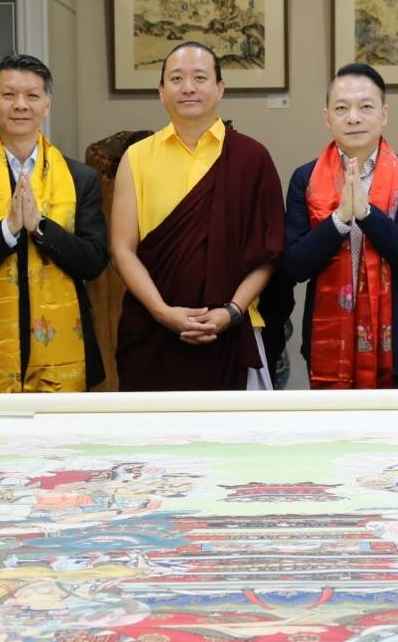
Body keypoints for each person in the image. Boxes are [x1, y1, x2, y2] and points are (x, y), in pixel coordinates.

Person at [110, 41, 284, 390]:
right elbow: (122, 249)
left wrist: (231, 311)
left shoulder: (252, 158)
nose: (188, 87)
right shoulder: (137, 157)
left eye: (200, 78)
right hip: (153, 332)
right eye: (176, 79)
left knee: (234, 426)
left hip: (233, 329)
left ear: (220, 88)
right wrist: (162, 312)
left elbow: (268, 254)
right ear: (161, 92)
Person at [0, 54, 108, 393]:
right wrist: (8, 230)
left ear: (47, 105)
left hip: (66, 335)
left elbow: (94, 261)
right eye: (9, 95)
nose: (20, 105)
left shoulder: (80, 177)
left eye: (32, 95)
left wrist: (39, 226)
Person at [282, 63, 398, 389]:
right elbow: (294, 266)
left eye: (365, 107)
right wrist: (339, 220)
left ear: (384, 114)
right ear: (327, 118)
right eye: (342, 108)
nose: (353, 118)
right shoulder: (305, 179)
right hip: (329, 346)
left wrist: (368, 215)